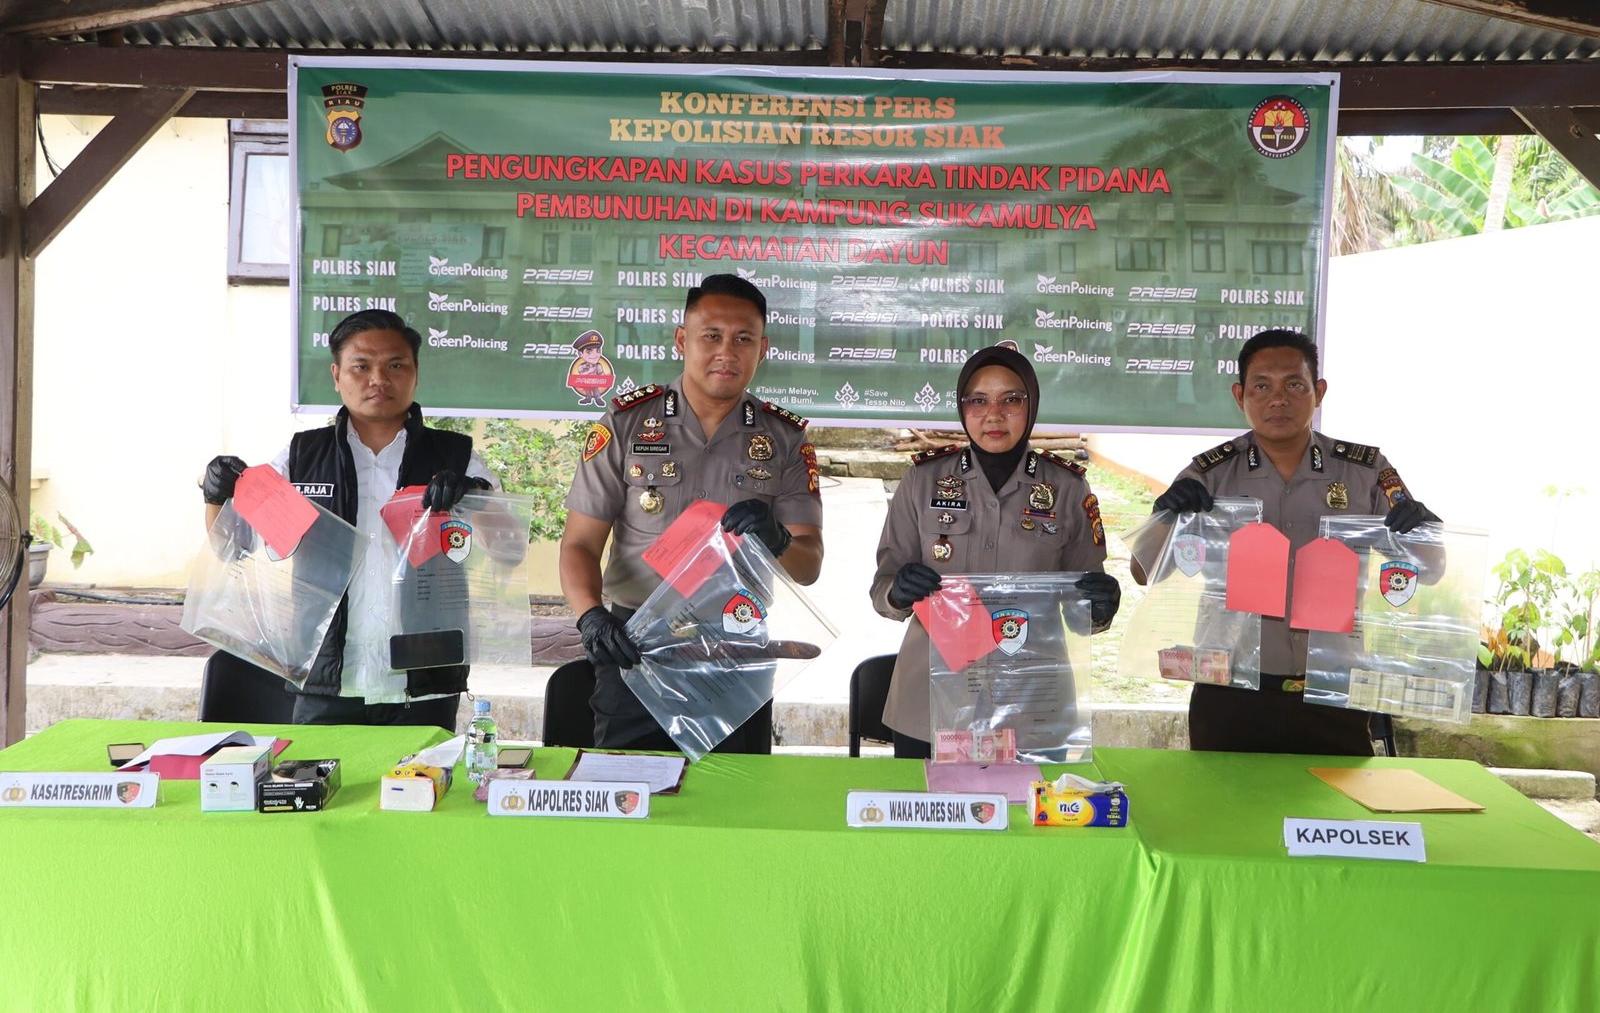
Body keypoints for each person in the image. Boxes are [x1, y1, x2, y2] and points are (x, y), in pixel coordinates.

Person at [1137, 329, 1439, 756]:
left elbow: (1430, 569)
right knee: (1224, 799)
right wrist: (1164, 516)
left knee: (1334, 800)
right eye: (1262, 386)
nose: (1278, 399)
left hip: (1331, 690)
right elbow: (1143, 571)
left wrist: (1424, 528)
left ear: (1319, 392)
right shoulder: (1209, 475)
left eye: (1294, 385)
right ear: (1240, 396)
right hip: (1231, 691)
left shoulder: (1365, 472)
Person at [560, 273, 824, 750]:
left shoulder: (784, 438)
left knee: (734, 791)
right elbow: (579, 543)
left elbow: (808, 567)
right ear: (682, 340)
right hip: (635, 646)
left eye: (743, 339)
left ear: (762, 349)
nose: (727, 352)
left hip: (735, 647)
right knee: (630, 789)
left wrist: (778, 539)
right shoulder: (626, 423)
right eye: (712, 336)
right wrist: (591, 617)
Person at [201, 308, 500, 728]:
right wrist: (216, 497)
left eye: (395, 365)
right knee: (321, 775)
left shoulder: (456, 456)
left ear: (415, 374)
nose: (379, 379)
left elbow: (505, 549)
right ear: (337, 375)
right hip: (325, 679)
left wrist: (475, 500)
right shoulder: (301, 458)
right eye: (361, 366)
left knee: (422, 776)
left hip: (424, 681)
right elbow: (233, 546)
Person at [870, 345, 1121, 759]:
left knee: (1029, 803)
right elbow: (882, 588)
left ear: (1031, 405)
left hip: (1033, 702)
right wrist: (897, 591)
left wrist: (1101, 605)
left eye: (1011, 400)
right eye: (978, 401)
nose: (994, 415)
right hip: (932, 699)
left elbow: (1083, 607)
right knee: (927, 803)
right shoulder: (922, 481)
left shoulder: (1067, 489)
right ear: (962, 407)